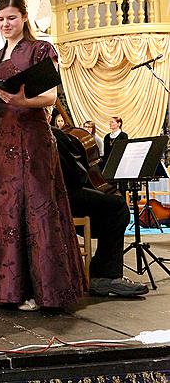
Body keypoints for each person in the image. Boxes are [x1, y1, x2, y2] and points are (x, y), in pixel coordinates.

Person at [0, 0, 86, 311]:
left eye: (11, 17)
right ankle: (9, 289)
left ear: (24, 17)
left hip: (32, 140)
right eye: (0, 19)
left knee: (35, 208)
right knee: (3, 211)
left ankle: (43, 291)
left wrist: (23, 102)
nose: (5, 24)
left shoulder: (41, 49)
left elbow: (51, 96)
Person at [51, 125, 148, 297]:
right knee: (117, 207)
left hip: (40, 197)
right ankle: (105, 275)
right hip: (60, 196)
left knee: (107, 206)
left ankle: (101, 270)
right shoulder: (53, 135)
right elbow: (75, 177)